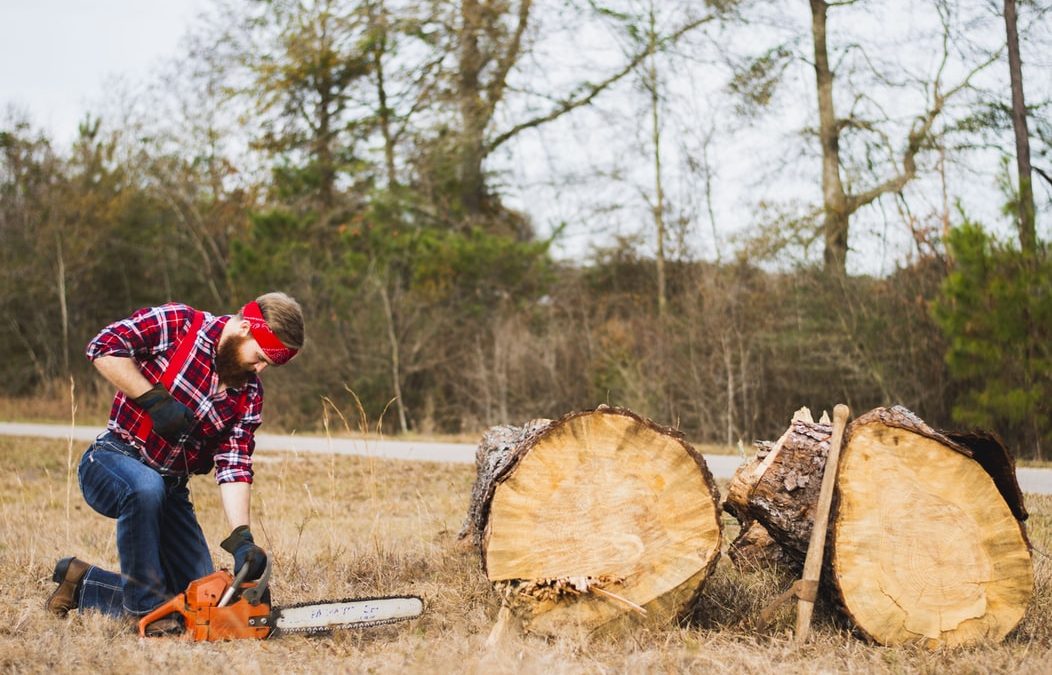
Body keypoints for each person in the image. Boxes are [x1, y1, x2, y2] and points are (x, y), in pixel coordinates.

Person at [45, 292, 304, 635]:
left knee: (200, 607)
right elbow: (103, 346)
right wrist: (152, 399)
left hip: (170, 489)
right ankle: (145, 613)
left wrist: (242, 537)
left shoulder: (249, 394)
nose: (259, 370)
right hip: (112, 459)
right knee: (144, 487)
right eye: (259, 358)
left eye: (267, 366)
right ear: (244, 328)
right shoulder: (180, 325)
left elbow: (235, 463)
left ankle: (81, 582)